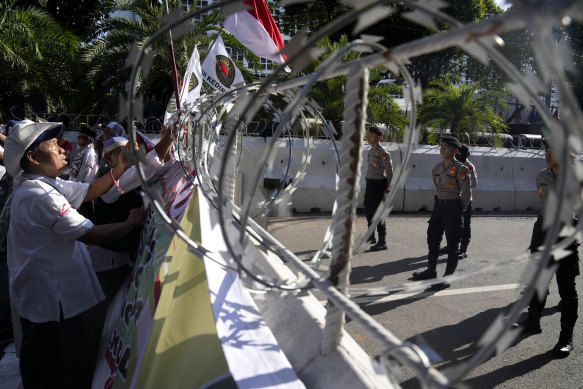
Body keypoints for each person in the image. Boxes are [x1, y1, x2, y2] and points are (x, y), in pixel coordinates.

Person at [4, 119, 145, 389]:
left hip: (53, 302)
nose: (63, 149)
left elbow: (91, 191)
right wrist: (131, 223)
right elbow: (91, 234)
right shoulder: (40, 195)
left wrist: (122, 165)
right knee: (62, 374)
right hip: (54, 308)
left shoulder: (44, 183)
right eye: (54, 145)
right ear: (33, 157)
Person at [90, 123, 175, 310]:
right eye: (123, 153)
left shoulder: (129, 176)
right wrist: (168, 138)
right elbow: (147, 168)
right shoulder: (107, 181)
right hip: (107, 262)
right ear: (108, 159)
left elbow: (162, 170)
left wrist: (166, 143)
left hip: (122, 257)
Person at [514, 139, 579, 358]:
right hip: (542, 231)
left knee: (566, 287)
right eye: (546, 151)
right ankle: (533, 321)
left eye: (553, 152)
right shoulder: (541, 176)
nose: (547, 155)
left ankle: (566, 338)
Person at [412, 135, 470, 286]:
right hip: (439, 207)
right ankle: (431, 270)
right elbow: (438, 188)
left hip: (453, 208)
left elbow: (466, 194)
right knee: (433, 239)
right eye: (442, 145)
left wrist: (458, 209)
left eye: (447, 146)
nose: (442, 148)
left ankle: (447, 278)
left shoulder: (461, 168)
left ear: (455, 150)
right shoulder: (436, 168)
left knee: (452, 245)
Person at [364, 126, 393, 251]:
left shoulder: (383, 152)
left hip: (378, 185)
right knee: (368, 209)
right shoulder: (370, 151)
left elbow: (389, 171)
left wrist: (388, 185)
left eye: (371, 136)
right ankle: (371, 236)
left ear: (378, 138)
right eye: (369, 135)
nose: (368, 137)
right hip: (370, 184)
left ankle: (382, 241)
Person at [456, 144, 477, 259]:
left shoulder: (469, 166)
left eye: (459, 153)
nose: (457, 155)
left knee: (465, 225)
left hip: (465, 199)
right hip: (453, 199)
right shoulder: (453, 164)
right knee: (452, 224)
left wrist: (460, 185)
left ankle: (463, 249)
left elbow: (474, 184)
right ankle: (452, 245)